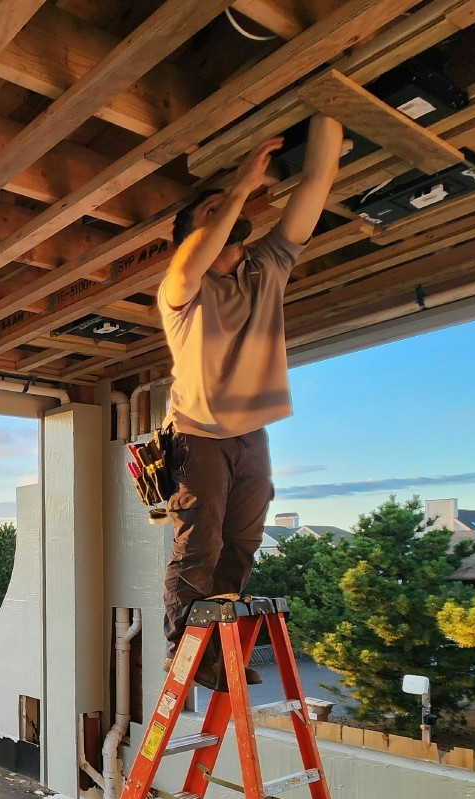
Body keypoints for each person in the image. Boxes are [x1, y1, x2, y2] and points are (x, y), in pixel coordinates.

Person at [157, 115, 343, 689]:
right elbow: (195, 255)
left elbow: (313, 190)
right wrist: (236, 187)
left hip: (252, 433)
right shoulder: (180, 289)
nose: (231, 218)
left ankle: (218, 650)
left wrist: (330, 118)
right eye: (212, 216)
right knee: (201, 541)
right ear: (191, 234)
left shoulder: (266, 268)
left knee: (241, 542)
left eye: (232, 212)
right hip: (195, 432)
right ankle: (183, 652)